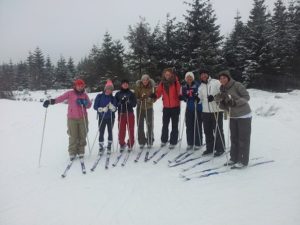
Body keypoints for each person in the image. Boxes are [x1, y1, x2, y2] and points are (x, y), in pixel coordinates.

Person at [43, 79, 92, 160]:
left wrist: (85, 103)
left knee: (83, 134)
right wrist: (51, 101)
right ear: (75, 86)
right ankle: (72, 152)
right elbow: (61, 98)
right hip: (72, 118)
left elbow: (89, 105)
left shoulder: (85, 95)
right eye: (79, 85)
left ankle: (81, 151)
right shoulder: (70, 93)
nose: (80, 87)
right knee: (73, 135)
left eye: (82, 86)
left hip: (83, 117)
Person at [215, 70, 252, 168]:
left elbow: (246, 97)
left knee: (243, 139)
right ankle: (234, 158)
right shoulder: (222, 89)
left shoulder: (237, 85)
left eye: (224, 77)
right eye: (220, 78)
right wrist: (219, 101)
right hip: (233, 116)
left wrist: (235, 102)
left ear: (228, 78)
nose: (222, 80)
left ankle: (243, 161)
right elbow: (225, 106)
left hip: (244, 115)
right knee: (234, 138)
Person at [198, 69, 225, 157]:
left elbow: (223, 93)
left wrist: (214, 97)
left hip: (216, 110)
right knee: (207, 130)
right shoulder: (200, 86)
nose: (203, 76)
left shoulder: (216, 82)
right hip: (205, 111)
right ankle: (210, 148)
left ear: (208, 74)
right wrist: (197, 99)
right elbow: (200, 98)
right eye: (201, 75)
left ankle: (220, 148)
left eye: (205, 74)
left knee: (217, 130)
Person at [153, 68, 181, 149]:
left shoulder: (176, 82)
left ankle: (173, 141)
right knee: (165, 124)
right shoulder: (162, 83)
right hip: (166, 108)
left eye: (169, 74)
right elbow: (158, 92)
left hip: (175, 107)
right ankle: (164, 140)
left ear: (171, 75)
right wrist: (155, 96)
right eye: (166, 74)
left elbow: (179, 92)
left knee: (174, 125)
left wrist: (180, 96)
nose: (167, 76)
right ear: (164, 75)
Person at [93, 79, 117, 155]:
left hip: (110, 117)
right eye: (107, 88)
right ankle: (101, 147)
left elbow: (115, 108)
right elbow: (95, 106)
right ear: (105, 88)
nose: (109, 90)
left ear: (112, 90)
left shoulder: (113, 98)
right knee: (101, 132)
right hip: (102, 117)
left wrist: (112, 107)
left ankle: (109, 146)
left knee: (110, 131)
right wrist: (101, 109)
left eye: (110, 89)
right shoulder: (99, 96)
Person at [180, 71, 203, 151]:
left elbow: (201, 94)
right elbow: (182, 95)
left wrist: (197, 97)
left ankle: (198, 143)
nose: (189, 79)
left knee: (197, 125)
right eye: (187, 77)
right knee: (189, 126)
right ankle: (190, 143)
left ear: (193, 78)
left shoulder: (198, 85)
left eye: (190, 77)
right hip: (189, 108)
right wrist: (183, 97)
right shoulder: (184, 86)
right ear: (186, 79)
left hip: (197, 108)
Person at [115, 79, 137, 152]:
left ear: (128, 85)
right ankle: (122, 144)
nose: (125, 85)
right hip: (121, 114)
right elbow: (115, 104)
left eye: (126, 83)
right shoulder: (118, 94)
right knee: (121, 130)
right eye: (124, 83)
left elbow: (134, 104)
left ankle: (130, 144)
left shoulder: (131, 93)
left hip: (129, 113)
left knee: (131, 129)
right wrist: (120, 102)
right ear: (121, 85)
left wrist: (128, 102)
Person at [135, 74, 156, 149]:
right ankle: (141, 141)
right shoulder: (138, 87)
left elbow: (154, 97)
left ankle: (150, 140)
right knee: (140, 125)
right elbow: (136, 96)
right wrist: (138, 100)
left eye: (146, 80)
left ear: (148, 80)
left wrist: (152, 99)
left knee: (149, 124)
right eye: (143, 80)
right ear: (141, 80)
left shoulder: (152, 87)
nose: (145, 81)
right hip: (140, 108)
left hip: (149, 107)